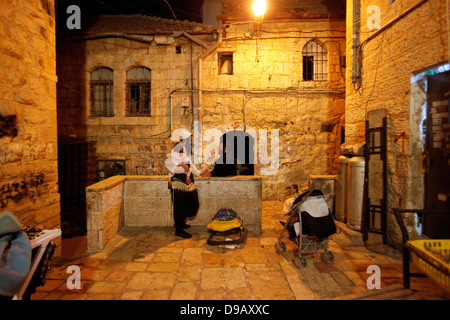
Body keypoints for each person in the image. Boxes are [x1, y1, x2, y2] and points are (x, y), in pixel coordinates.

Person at [166, 140, 208, 239]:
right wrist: (181, 165)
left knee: (192, 202)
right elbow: (170, 168)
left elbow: (193, 169)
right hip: (178, 183)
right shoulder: (171, 158)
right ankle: (179, 229)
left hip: (188, 182)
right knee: (179, 206)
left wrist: (201, 173)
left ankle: (182, 221)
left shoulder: (187, 157)